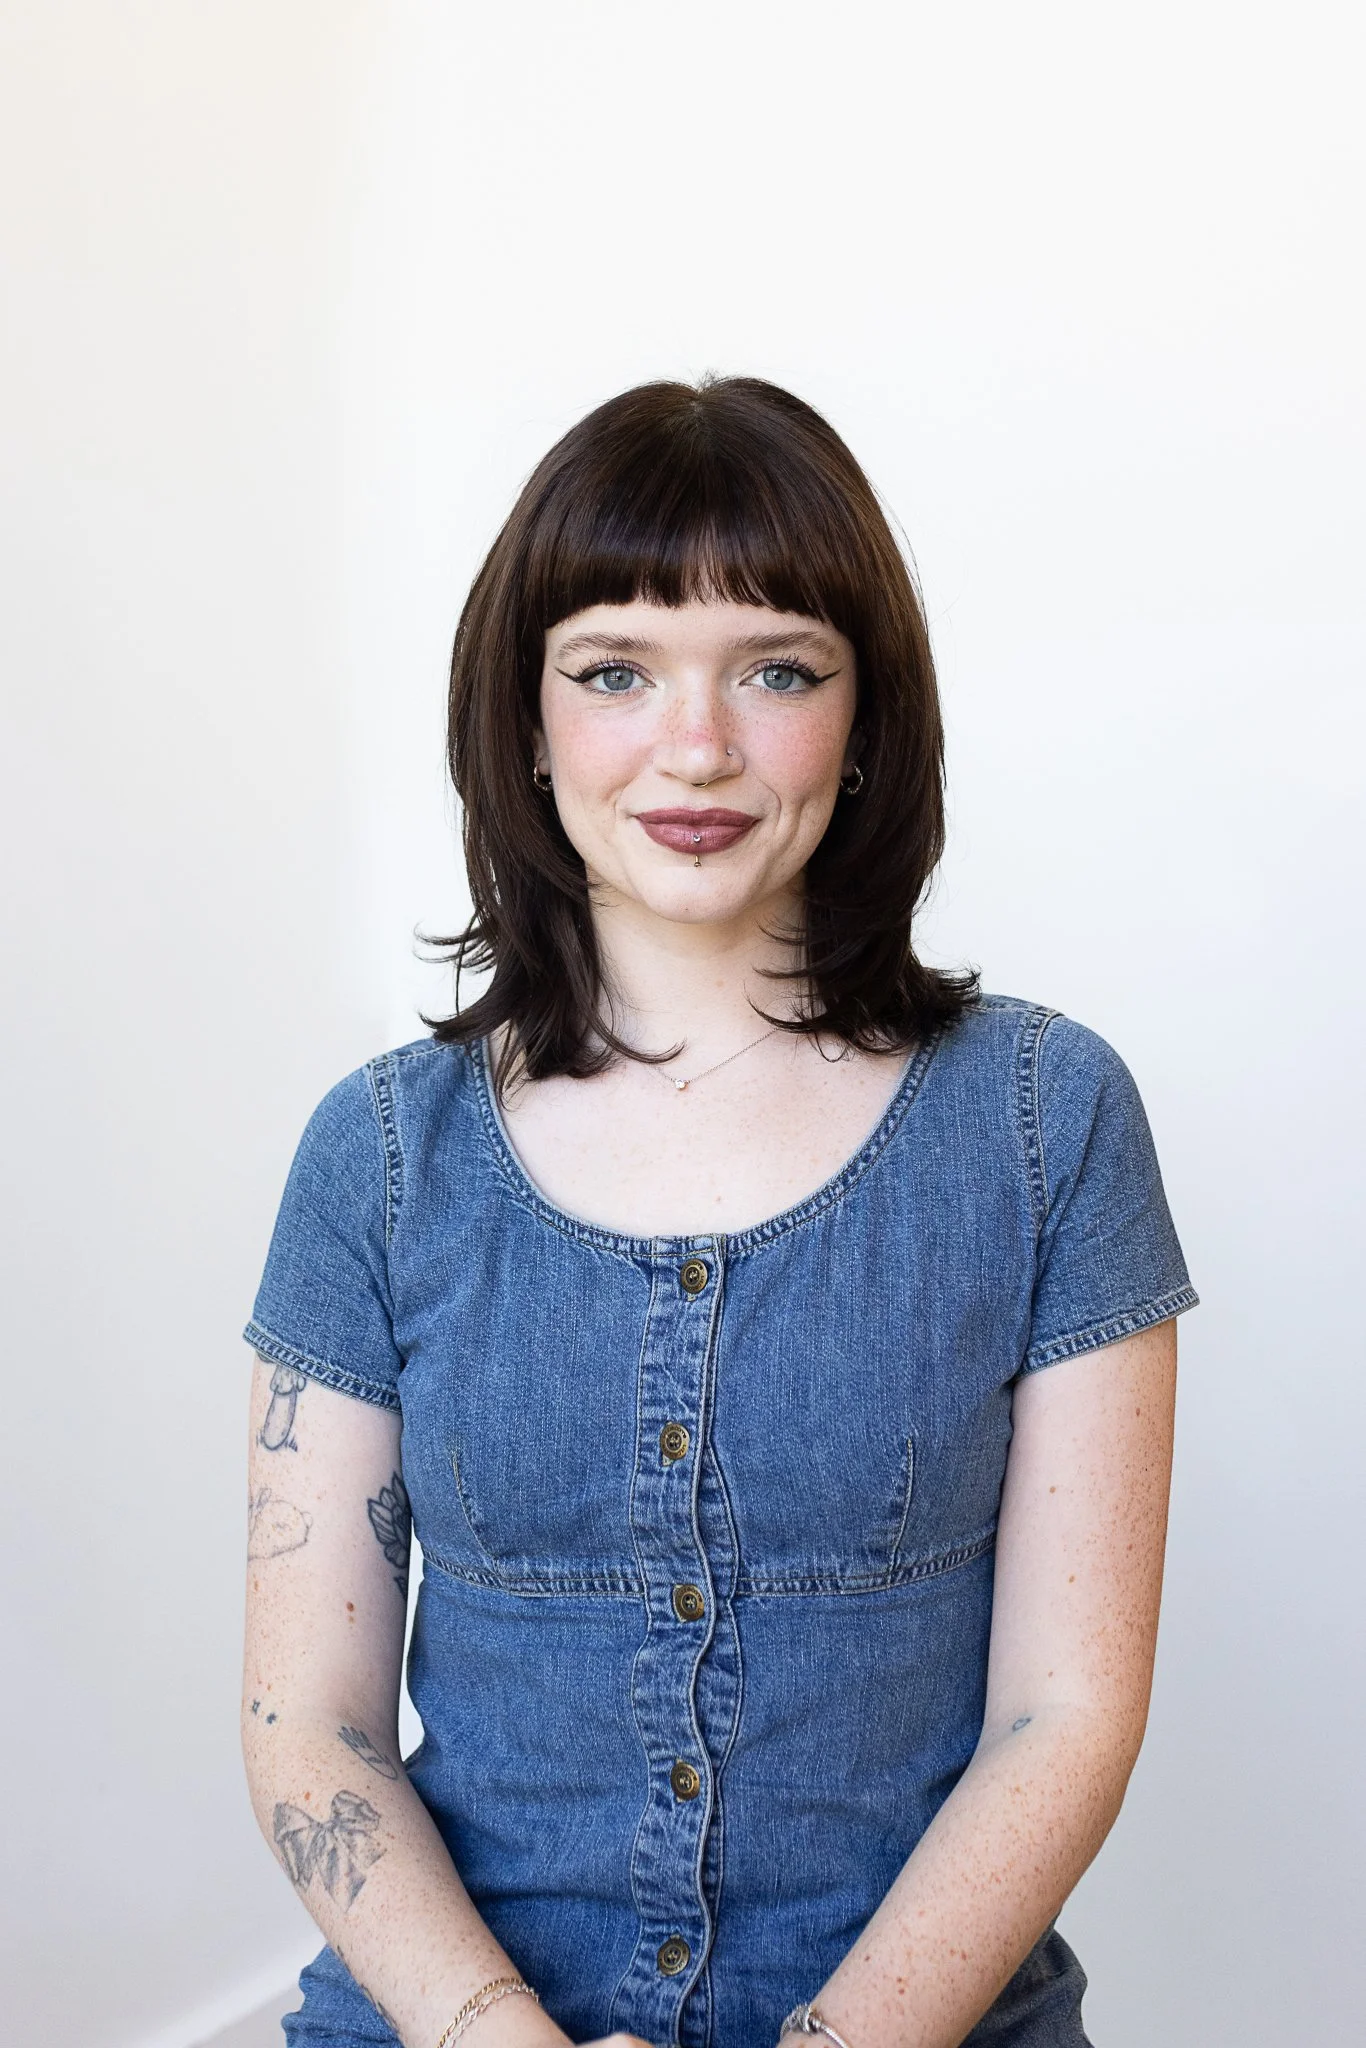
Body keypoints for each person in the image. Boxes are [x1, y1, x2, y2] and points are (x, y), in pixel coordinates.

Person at [241, 376, 1197, 2048]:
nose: (696, 747)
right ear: (525, 723)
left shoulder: (1046, 1120)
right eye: (614, 671)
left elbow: (1064, 1716)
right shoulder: (377, 1155)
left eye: (777, 671)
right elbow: (308, 1728)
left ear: (866, 717)